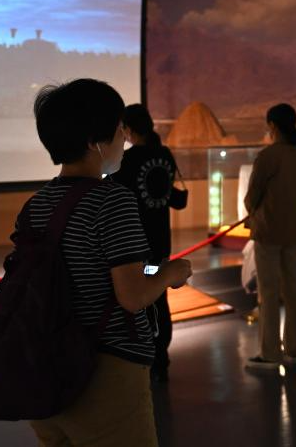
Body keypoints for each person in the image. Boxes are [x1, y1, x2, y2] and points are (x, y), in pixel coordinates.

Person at [26, 79, 191, 446]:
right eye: (118, 129)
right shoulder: (112, 201)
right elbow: (132, 295)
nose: (123, 139)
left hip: (44, 369)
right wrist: (169, 273)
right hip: (103, 373)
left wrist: (152, 271)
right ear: (93, 141)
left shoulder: (35, 205)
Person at [110, 103, 178, 383]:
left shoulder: (127, 161)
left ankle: (146, 357)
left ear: (127, 129)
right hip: (161, 242)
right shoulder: (165, 154)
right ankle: (161, 356)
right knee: (159, 296)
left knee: (140, 298)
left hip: (135, 246)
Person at [244, 103, 296, 370]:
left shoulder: (268, 156)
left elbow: (253, 195)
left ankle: (270, 352)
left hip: (268, 230)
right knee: (292, 289)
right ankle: (294, 348)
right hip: (294, 230)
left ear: (272, 125)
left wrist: (252, 211)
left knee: (268, 292)